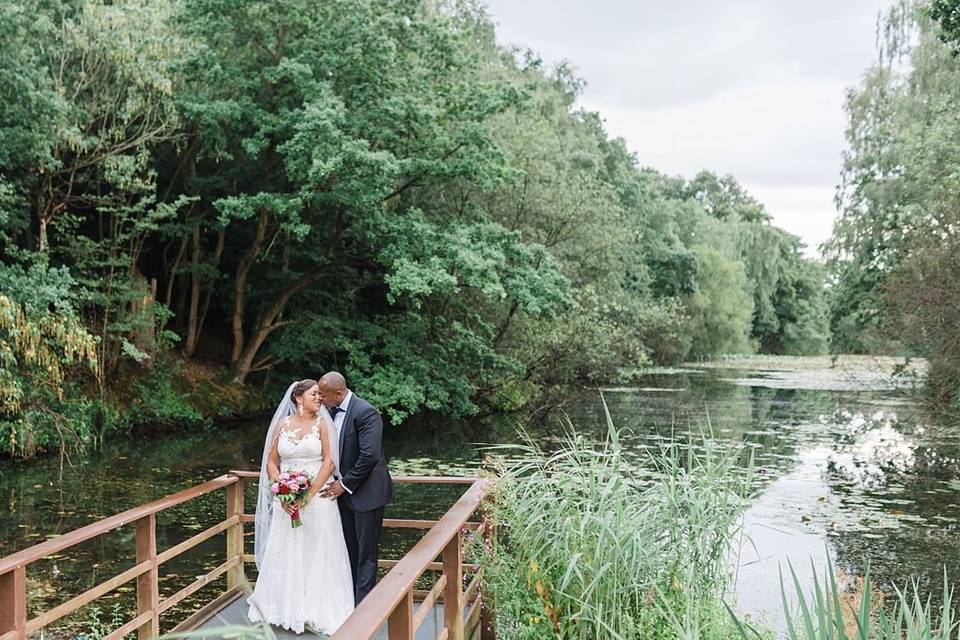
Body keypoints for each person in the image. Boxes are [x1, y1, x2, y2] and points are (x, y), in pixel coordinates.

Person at [247, 379, 354, 634]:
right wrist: (282, 491)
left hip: (317, 499)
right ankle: (284, 607)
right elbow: (272, 462)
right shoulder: (282, 425)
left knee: (317, 550)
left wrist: (308, 496)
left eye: (320, 394)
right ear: (298, 398)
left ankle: (315, 608)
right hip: (288, 502)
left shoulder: (322, 424)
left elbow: (329, 462)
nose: (319, 398)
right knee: (289, 548)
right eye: (314, 394)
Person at [317, 371, 394, 604]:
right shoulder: (329, 411)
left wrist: (345, 484)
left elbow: (369, 456)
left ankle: (363, 608)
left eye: (324, 394)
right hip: (341, 495)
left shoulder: (366, 412)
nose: (320, 398)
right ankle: (347, 601)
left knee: (366, 553)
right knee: (347, 549)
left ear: (338, 393)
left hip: (367, 493)